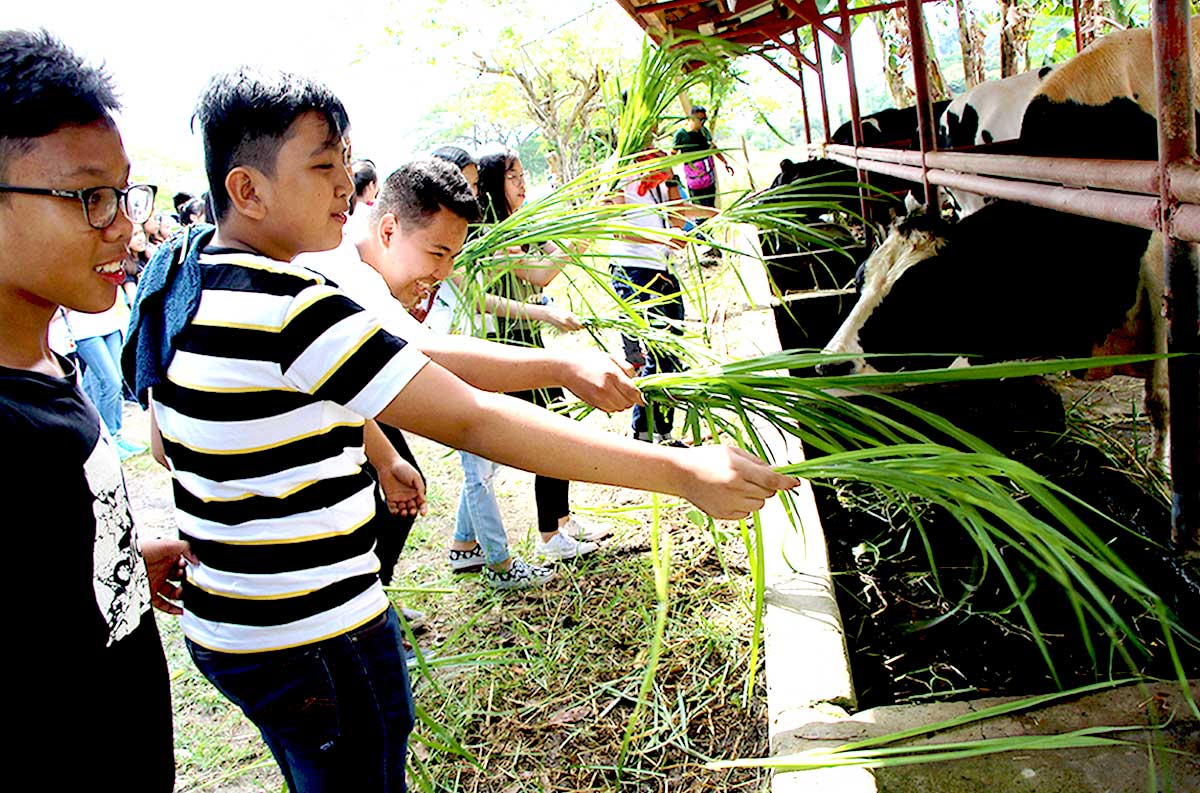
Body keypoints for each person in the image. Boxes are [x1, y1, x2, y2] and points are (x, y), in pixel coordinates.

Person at [125, 66, 794, 792]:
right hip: (319, 637)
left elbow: (176, 439)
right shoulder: (292, 303)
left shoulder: (185, 275)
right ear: (246, 189)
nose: (346, 187)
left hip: (229, 632)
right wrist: (680, 472)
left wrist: (557, 370)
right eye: (323, 167)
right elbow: (470, 417)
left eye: (347, 163)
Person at [299, 158, 643, 590]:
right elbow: (427, 356)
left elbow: (339, 386)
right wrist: (565, 367)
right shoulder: (348, 274)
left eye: (452, 257)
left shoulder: (358, 256)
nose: (442, 273)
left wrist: (385, 458)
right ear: (388, 230)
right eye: (436, 254)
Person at [0, 28, 192, 790]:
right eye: (87, 197)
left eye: (122, 192)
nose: (121, 223)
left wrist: (116, 568)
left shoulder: (48, 357)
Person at [609, 150, 717, 444]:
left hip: (662, 268)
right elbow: (618, 230)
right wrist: (661, 237)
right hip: (633, 271)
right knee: (654, 354)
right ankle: (647, 435)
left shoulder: (660, 171)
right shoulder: (618, 174)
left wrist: (715, 214)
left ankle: (658, 433)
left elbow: (677, 217)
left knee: (669, 353)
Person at [671, 105, 734, 210]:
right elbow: (673, 154)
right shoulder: (681, 134)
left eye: (705, 119)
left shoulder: (704, 132)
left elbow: (713, 148)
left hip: (708, 178)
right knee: (699, 209)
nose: (703, 122)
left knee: (711, 207)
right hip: (694, 180)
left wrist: (725, 162)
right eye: (700, 119)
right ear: (691, 118)